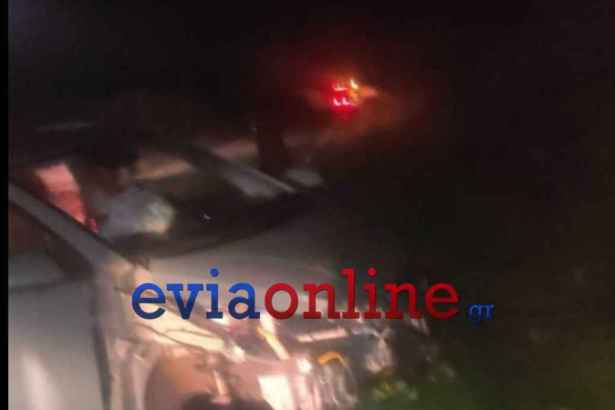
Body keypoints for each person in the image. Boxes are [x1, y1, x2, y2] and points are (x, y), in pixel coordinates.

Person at [78, 142, 175, 241]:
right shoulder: (85, 196)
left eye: (126, 169)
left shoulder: (151, 206)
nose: (118, 176)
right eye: (109, 170)